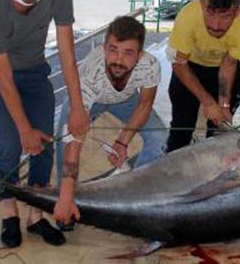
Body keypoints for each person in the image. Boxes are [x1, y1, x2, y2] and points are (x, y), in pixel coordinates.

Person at [0, 0, 89, 248]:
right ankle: (9, 211)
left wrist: (78, 107)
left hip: (35, 71)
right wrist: (24, 128)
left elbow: (67, 54)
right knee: (12, 142)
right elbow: (3, 78)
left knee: (45, 144)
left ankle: (35, 216)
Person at [53, 16, 167, 226]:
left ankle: (137, 195)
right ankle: (65, 199)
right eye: (113, 49)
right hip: (88, 98)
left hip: (126, 99)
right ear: (104, 47)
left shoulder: (150, 65)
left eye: (128, 53)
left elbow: (144, 105)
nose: (118, 60)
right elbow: (74, 141)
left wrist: (122, 142)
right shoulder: (92, 71)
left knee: (159, 137)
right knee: (65, 144)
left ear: (140, 55)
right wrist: (67, 195)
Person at [165, 0, 240, 152]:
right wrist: (208, 102)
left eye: (225, 16)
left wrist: (223, 105)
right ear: (202, 5)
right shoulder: (188, 16)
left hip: (223, 70)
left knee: (219, 131)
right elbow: (179, 64)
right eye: (210, 14)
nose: (215, 25)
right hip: (188, 67)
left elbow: (229, 65)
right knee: (181, 127)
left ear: (237, 12)